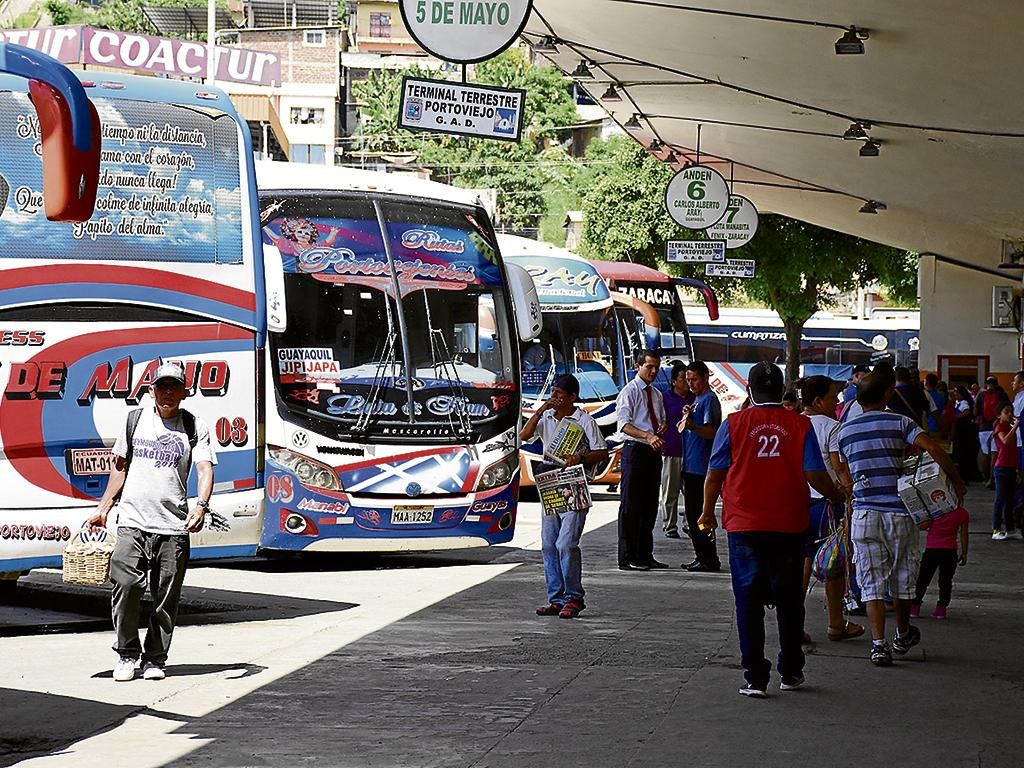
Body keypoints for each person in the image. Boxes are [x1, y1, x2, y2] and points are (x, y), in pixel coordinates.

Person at [700, 362, 847, 697]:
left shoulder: (734, 424)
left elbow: (715, 474)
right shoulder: (799, 425)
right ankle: (791, 670)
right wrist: (837, 495)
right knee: (789, 599)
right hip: (788, 523)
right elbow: (814, 473)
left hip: (744, 523)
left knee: (748, 599)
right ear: (783, 391)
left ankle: (755, 676)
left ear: (750, 390)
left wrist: (707, 512)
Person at [87, 362, 216, 682]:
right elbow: (119, 466)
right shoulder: (134, 420)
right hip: (133, 520)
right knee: (127, 585)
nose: (167, 392)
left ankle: (155, 658)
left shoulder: (194, 425)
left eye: (174, 387)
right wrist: (104, 507)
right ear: (151, 391)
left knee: (165, 597)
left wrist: (201, 506)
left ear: (185, 392)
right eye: (162, 386)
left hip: (173, 527)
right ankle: (127, 654)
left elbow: (204, 469)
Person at [835, 368, 966, 667]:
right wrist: (956, 481)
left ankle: (878, 644)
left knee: (870, 579)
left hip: (864, 514)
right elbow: (933, 447)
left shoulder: (844, 432)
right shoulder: (900, 422)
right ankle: (902, 633)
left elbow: (844, 471)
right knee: (903, 576)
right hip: (898, 513)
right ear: (886, 395)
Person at [521, 374, 608, 618]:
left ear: (573, 397)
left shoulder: (583, 420)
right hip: (550, 482)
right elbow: (524, 436)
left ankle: (574, 597)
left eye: (560, 395)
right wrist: (541, 410)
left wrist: (579, 458)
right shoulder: (547, 416)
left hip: (573, 482)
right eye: (554, 393)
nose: (556, 398)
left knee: (566, 543)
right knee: (549, 543)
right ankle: (556, 598)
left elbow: (601, 451)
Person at [799, 376, 863, 642]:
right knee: (834, 562)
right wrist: (847, 496)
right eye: (832, 397)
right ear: (818, 401)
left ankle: (794, 624)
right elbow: (839, 467)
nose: (837, 402)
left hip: (798, 503)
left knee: (801, 564)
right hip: (827, 504)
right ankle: (836, 624)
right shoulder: (833, 428)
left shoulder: (795, 423)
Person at [615, 350, 668, 571]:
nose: (653, 371)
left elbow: (661, 420)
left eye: (656, 367)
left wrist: (660, 429)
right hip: (635, 449)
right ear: (638, 366)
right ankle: (628, 556)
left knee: (649, 505)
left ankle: (645, 553)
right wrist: (647, 435)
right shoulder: (630, 392)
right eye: (649, 367)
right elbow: (624, 425)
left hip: (652, 451)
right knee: (631, 504)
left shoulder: (656, 394)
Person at [680, 360, 723, 572]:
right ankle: (702, 555)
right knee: (691, 513)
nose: (691, 384)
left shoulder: (709, 400)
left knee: (698, 514)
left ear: (705, 377)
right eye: (688, 380)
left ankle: (708, 557)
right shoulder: (697, 400)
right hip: (690, 463)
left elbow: (712, 431)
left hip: (701, 466)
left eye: (694, 379)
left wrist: (693, 425)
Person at [911, 506, 969, 619]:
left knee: (923, 579)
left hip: (932, 550)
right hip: (950, 551)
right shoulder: (962, 513)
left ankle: (915, 606)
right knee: (945, 581)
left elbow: (921, 526)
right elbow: (964, 534)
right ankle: (941, 609)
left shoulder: (934, 510)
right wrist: (964, 553)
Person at [661, 362, 694, 539]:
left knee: (689, 491)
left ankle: (689, 524)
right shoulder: (664, 398)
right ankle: (669, 525)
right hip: (671, 450)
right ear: (674, 381)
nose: (687, 383)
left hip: (690, 452)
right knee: (670, 491)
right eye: (683, 379)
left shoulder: (694, 398)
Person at [990, 403, 1019, 540]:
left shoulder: (1008, 427)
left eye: (1011, 412)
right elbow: (1005, 441)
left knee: (1010, 499)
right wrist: (1015, 427)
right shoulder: (1000, 427)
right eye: (1006, 412)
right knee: (1000, 499)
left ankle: (1010, 529)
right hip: (1001, 467)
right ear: (999, 415)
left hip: (1011, 466)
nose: (1010, 414)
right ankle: (996, 529)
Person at [976, 376, 1009, 487]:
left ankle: (985, 478)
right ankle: (992, 479)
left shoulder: (981, 395)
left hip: (983, 428)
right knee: (995, 455)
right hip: (997, 427)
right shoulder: (1001, 395)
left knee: (985, 453)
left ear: (986, 383)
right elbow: (1008, 409)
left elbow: (975, 411)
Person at [950, 386, 980, 482]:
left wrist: (957, 417)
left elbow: (966, 412)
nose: (955, 396)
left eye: (957, 394)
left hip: (963, 432)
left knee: (962, 453)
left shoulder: (964, 403)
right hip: (961, 431)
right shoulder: (958, 403)